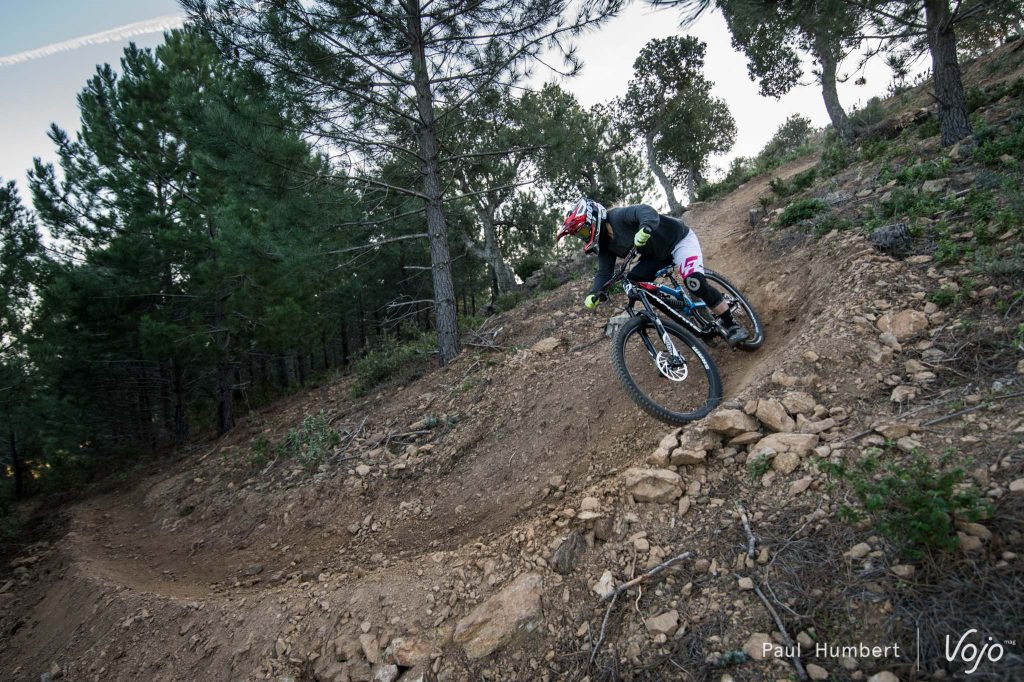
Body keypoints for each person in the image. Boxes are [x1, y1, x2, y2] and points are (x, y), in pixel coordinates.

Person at [556, 197, 749, 345]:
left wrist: (646, 227)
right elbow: (604, 272)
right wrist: (595, 292)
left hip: (678, 240)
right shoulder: (605, 245)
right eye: (579, 235)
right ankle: (678, 307)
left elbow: (645, 211)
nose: (583, 236)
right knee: (634, 282)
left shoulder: (618, 217)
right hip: (656, 256)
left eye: (582, 231)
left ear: (593, 219)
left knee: (694, 282)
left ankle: (731, 324)